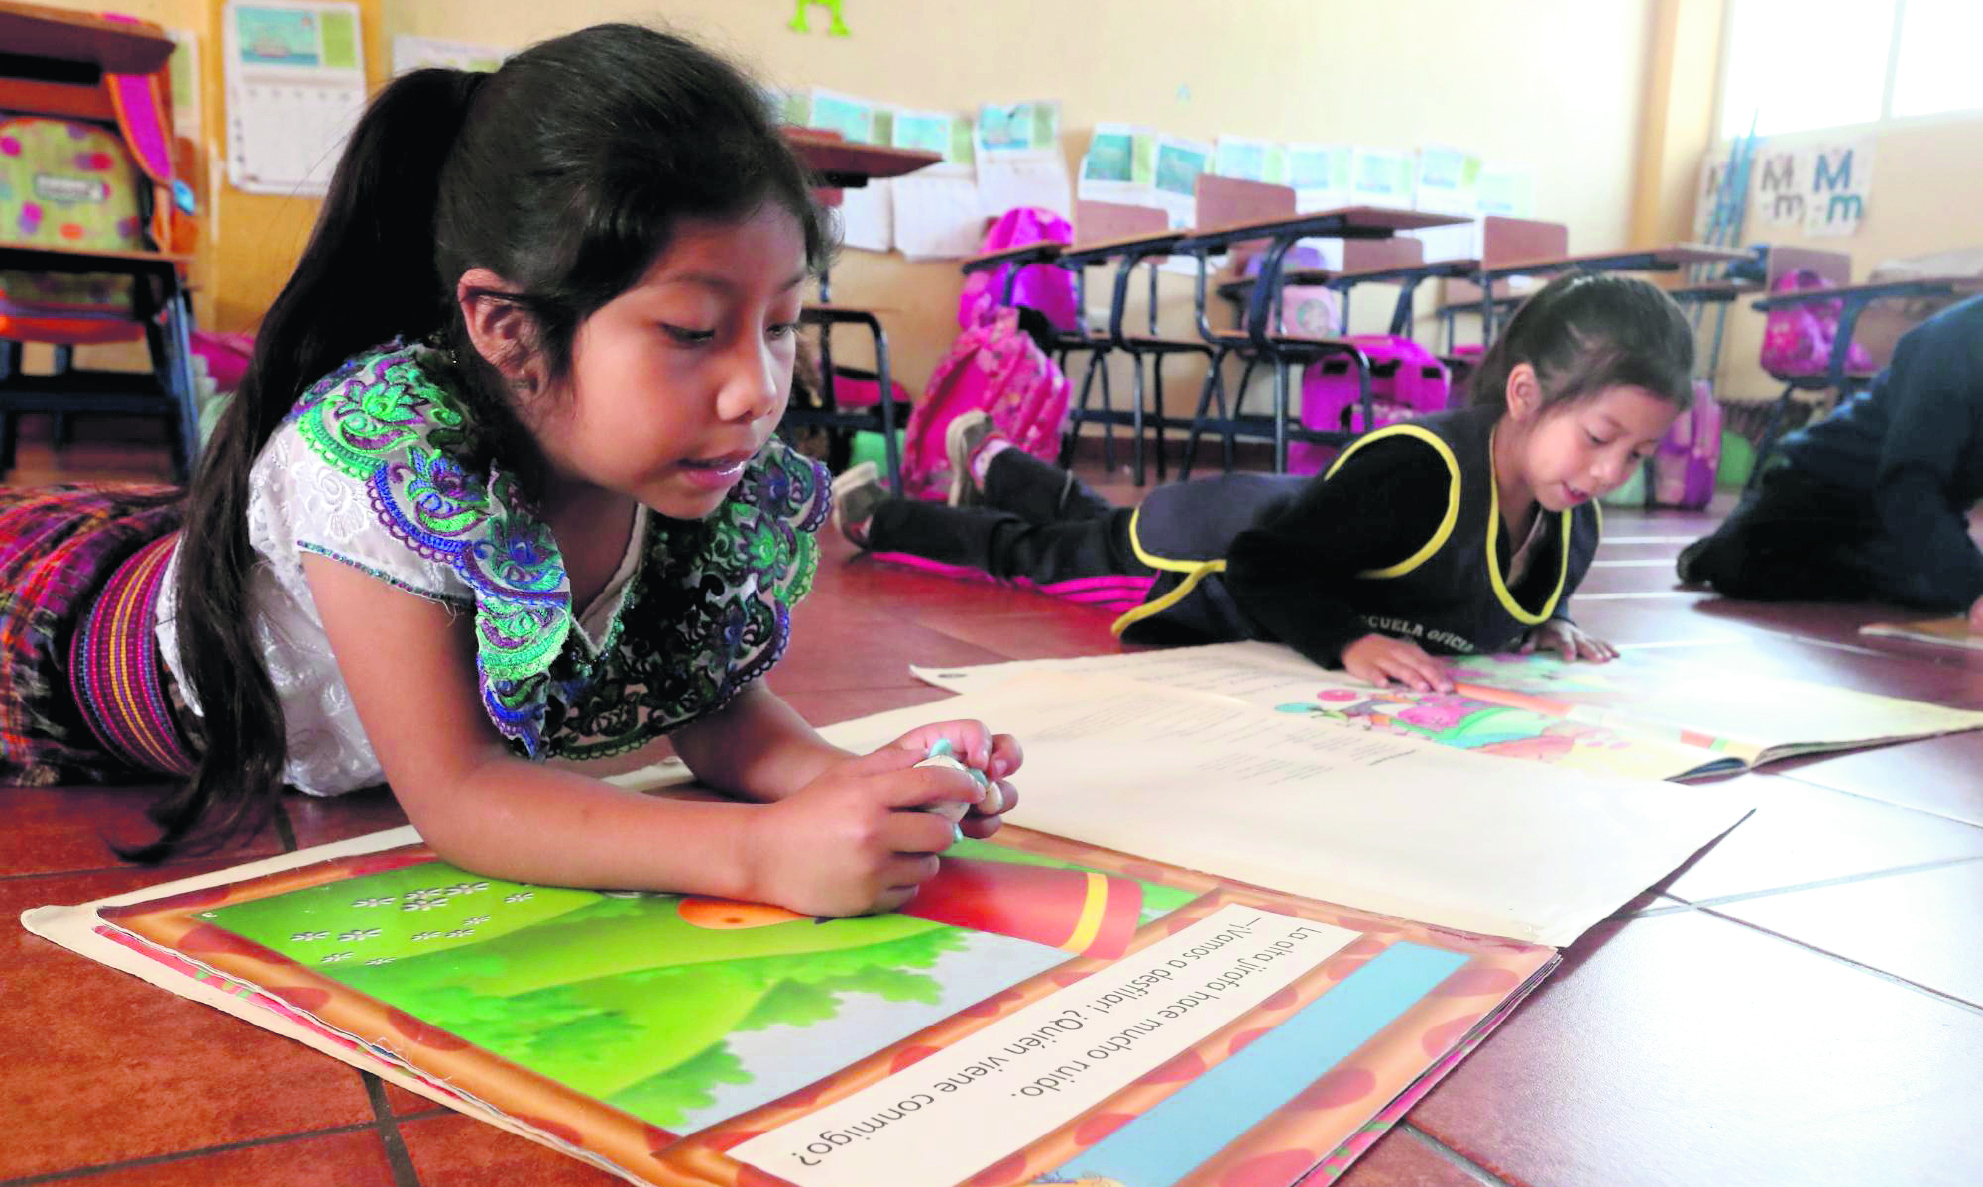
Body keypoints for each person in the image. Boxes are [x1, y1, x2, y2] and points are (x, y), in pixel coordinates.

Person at [0, 25, 1020, 918]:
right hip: (51, 632)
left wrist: (871, 783)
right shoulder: (382, 459)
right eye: (691, 330)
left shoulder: (683, 461)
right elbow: (463, 794)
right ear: (507, 327)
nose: (754, 390)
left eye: (783, 323)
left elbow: (714, 713)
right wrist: (761, 853)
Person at [834, 272, 1695, 692]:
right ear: (1524, 394)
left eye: (1637, 454)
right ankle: (883, 519)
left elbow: (1514, 587)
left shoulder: (1568, 516)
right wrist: (1346, 641)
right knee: (1045, 555)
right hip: (1202, 557)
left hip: (1279, 515)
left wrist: (1552, 619)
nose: (1609, 472)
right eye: (1599, 438)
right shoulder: (1413, 471)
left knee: (1088, 523)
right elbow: (1263, 563)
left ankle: (991, 458)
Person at [1678, 293, 1983, 629]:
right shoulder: (1955, 343)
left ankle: (1881, 565)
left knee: (1935, 587)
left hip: (1910, 512)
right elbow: (1908, 483)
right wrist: (1974, 587)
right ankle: (1715, 548)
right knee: (1737, 565)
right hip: (1827, 485)